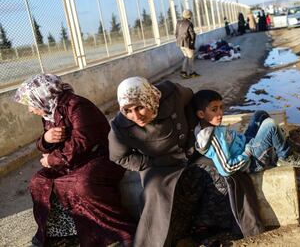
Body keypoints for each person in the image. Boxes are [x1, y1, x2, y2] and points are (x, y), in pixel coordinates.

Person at [108, 77, 263, 246]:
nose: (135, 116)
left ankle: (228, 227)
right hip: (159, 167)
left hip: (191, 152)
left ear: (150, 99)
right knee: (156, 194)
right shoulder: (120, 126)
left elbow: (192, 100)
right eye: (128, 110)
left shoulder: (172, 94)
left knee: (227, 173)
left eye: (140, 107)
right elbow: (119, 157)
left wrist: (194, 131)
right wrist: (150, 162)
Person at [13, 74, 136, 247]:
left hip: (99, 157)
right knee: (38, 182)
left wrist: (52, 160)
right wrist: (46, 140)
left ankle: (121, 233)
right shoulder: (50, 111)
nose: (30, 110)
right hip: (72, 161)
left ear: (41, 96)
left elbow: (82, 141)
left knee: (79, 185)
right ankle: (62, 234)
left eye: (30, 104)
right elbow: (48, 143)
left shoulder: (77, 106)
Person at [192, 90, 300, 177]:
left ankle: (283, 146)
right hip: (252, 161)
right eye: (214, 109)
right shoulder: (212, 138)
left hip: (246, 143)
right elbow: (226, 169)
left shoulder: (210, 125)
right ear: (201, 114)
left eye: (221, 108)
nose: (220, 113)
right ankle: (285, 157)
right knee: (270, 124)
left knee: (260, 114)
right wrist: (247, 152)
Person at [175, 9, 199, 79]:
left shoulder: (178, 23)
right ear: (189, 16)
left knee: (186, 57)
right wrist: (192, 44)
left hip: (180, 44)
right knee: (191, 58)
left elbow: (176, 34)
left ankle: (183, 72)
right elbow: (192, 35)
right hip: (187, 44)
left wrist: (179, 41)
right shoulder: (189, 23)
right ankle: (192, 73)